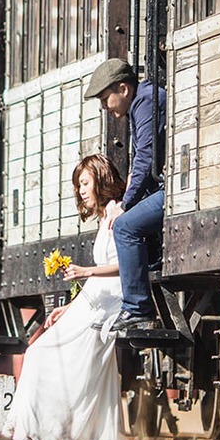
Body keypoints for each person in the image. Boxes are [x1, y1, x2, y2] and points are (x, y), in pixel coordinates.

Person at [9, 154, 127, 440]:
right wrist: (69, 306)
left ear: (101, 179)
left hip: (110, 300)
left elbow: (128, 267)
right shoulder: (105, 218)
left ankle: (48, 433)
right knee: (39, 353)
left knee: (41, 356)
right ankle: (43, 431)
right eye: (79, 185)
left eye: (85, 182)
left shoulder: (118, 214)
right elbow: (99, 276)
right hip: (95, 298)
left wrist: (87, 270)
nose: (81, 190)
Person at [83, 58, 165, 332]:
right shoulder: (141, 103)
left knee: (125, 226)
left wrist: (126, 204)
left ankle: (137, 308)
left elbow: (145, 156)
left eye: (106, 99)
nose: (105, 107)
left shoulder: (145, 102)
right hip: (163, 188)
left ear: (123, 89)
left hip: (171, 191)